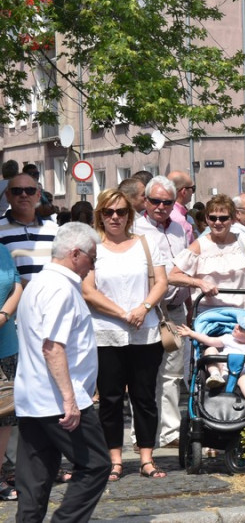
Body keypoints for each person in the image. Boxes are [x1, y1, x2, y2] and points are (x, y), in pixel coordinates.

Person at [15, 222, 110, 523]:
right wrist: (70, 400)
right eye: (92, 259)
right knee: (95, 465)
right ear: (75, 254)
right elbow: (52, 347)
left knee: (36, 477)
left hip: (33, 396)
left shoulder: (40, 283)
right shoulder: (60, 288)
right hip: (59, 399)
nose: (92, 266)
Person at [81, 190, 168, 481]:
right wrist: (122, 313)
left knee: (144, 397)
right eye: (108, 212)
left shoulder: (146, 242)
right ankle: (114, 459)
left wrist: (143, 308)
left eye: (120, 211)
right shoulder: (93, 247)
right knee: (110, 399)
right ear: (100, 215)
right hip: (106, 333)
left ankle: (146, 458)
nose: (115, 217)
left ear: (129, 215)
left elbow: (161, 282)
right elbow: (88, 290)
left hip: (145, 332)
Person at [132, 176, 190, 449]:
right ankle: (140, 434)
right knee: (142, 375)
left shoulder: (180, 228)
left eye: (167, 202)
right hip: (148, 309)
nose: (161, 206)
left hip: (176, 311)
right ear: (145, 201)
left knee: (171, 374)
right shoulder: (136, 229)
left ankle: (170, 433)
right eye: (155, 201)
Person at [168, 194, 245, 314]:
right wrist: (199, 283)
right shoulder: (199, 245)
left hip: (241, 315)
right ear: (207, 219)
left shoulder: (242, 241)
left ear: (233, 219)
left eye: (223, 218)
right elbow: (172, 276)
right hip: (208, 315)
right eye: (213, 218)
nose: (217, 223)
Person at [178, 312, 245, 415]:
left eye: (241, 329)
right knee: (211, 349)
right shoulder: (228, 338)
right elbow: (209, 340)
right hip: (222, 369)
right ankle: (215, 375)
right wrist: (192, 333)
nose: (236, 326)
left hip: (243, 370)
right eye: (238, 324)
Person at [0, 173, 59, 282]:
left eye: (30, 190)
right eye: (17, 191)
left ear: (38, 196)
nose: (24, 195)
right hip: (13, 298)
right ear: (8, 196)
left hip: (49, 297)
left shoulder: (55, 230)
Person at [0, 244, 21, 501]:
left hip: (6, 345)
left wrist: (5, 314)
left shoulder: (2, 250)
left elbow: (16, 285)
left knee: (5, 414)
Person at [167, 171, 196, 243]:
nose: (192, 193)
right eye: (193, 188)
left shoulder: (164, 212)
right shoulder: (180, 220)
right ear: (184, 191)